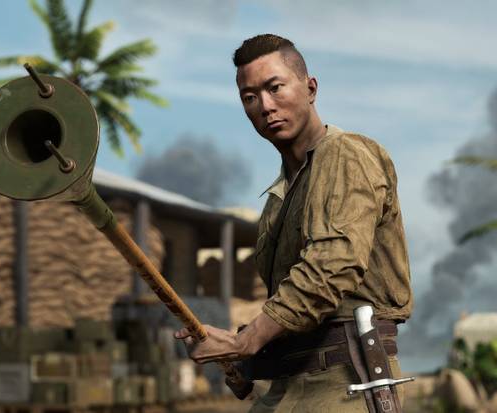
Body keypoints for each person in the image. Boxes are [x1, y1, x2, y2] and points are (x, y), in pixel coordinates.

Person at [173, 34, 413, 412]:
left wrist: (246, 341)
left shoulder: (346, 154)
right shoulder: (278, 199)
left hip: (346, 382)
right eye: (250, 97)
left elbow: (331, 268)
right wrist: (236, 352)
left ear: (310, 88)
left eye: (275, 88)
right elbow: (289, 304)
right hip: (287, 386)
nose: (265, 106)